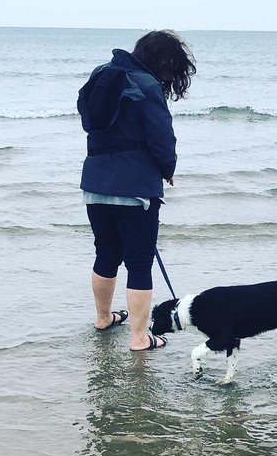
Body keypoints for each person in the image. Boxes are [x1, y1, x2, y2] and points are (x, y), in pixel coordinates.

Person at [78, 30, 195, 352]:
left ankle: (103, 318)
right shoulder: (145, 84)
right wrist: (167, 169)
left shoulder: (101, 74)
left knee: (106, 253)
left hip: (95, 183)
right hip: (135, 189)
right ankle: (140, 339)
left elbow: (89, 120)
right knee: (140, 263)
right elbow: (162, 137)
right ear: (164, 60)